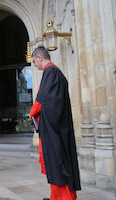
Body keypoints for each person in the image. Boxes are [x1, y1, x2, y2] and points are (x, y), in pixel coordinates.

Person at [30, 46, 81, 200]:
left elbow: (42, 99)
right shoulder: (56, 73)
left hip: (54, 129)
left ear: (40, 58)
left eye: (34, 61)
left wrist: (32, 113)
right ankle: (57, 196)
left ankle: (62, 197)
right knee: (60, 162)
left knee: (57, 163)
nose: (35, 65)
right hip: (59, 126)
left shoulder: (50, 72)